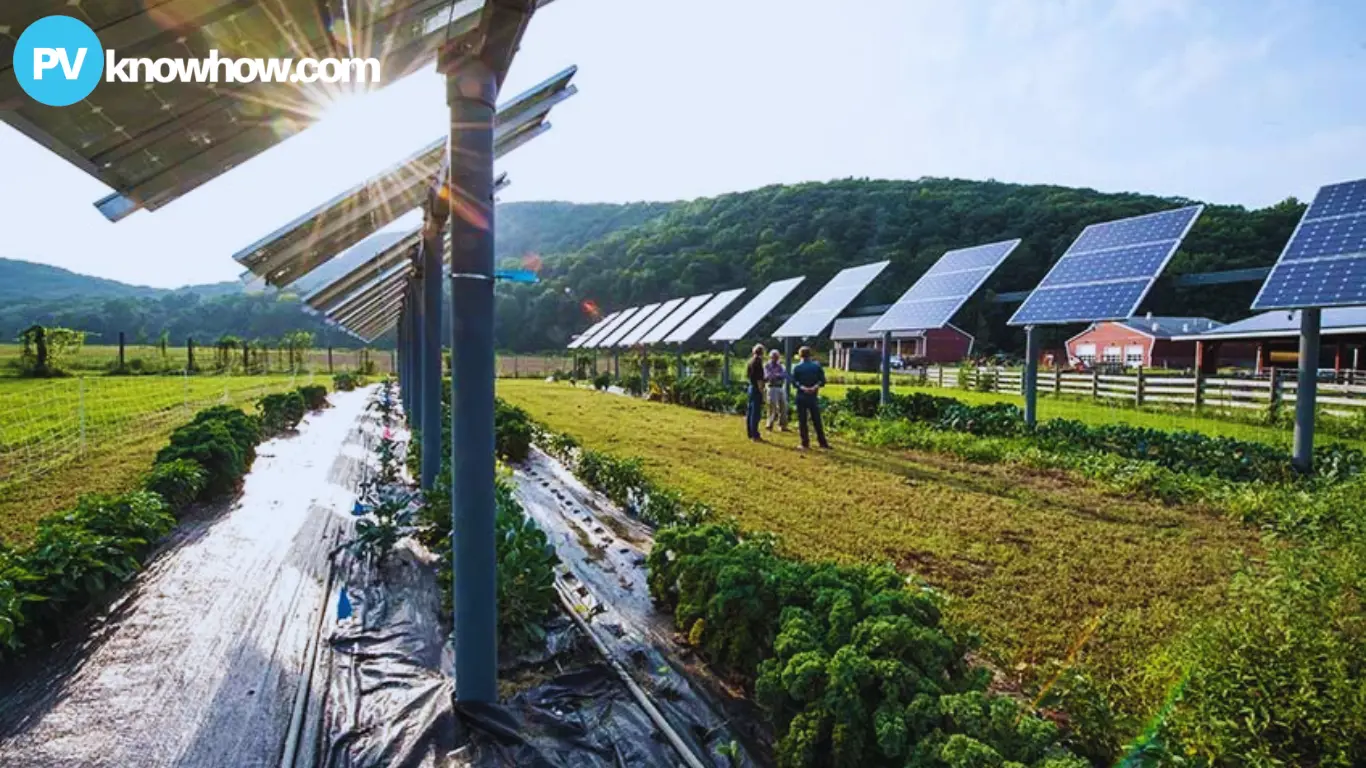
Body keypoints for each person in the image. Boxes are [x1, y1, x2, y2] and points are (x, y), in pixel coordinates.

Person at [789, 346, 830, 450]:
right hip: (813, 396)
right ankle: (822, 442)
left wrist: (802, 387)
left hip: (801, 395)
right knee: (817, 419)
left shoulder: (797, 367)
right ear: (810, 354)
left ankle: (805, 443)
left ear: (800, 355)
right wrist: (814, 387)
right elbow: (822, 381)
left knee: (802, 420)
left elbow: (794, 382)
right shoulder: (816, 366)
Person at [764, 349, 788, 431]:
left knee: (783, 406)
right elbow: (767, 376)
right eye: (774, 357)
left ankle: (783, 425)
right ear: (770, 357)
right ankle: (769, 424)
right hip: (771, 387)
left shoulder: (781, 365)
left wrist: (775, 375)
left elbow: (784, 375)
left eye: (777, 357)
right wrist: (777, 375)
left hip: (780, 387)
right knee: (772, 406)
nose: (775, 359)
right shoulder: (767, 365)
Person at [745, 344, 765, 441]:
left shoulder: (750, 362)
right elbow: (759, 380)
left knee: (750, 411)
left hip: (751, 387)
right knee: (755, 413)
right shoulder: (758, 363)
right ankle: (755, 434)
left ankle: (749, 432)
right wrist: (762, 392)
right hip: (756, 388)